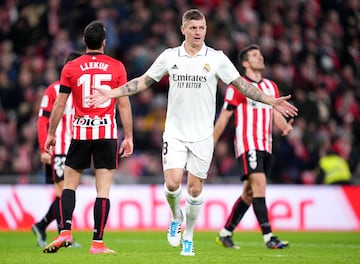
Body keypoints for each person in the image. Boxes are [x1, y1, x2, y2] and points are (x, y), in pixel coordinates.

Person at [87, 9, 297, 256]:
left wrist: (270, 101)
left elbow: (242, 85)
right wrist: (111, 93)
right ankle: (176, 217)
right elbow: (143, 81)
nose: (198, 32)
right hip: (175, 133)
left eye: (202, 28)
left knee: (195, 190)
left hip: (202, 136)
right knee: (173, 183)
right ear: (183, 29)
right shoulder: (170, 56)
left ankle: (188, 237)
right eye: (193, 28)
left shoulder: (216, 58)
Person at [43, 20, 134, 254]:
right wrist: (129, 137)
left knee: (69, 186)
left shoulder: (71, 67)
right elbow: (124, 105)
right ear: (104, 42)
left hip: (80, 133)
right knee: (102, 190)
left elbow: (60, 105)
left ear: (84, 42)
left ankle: (65, 232)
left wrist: (51, 134)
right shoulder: (117, 67)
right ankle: (98, 243)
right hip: (106, 134)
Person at [214, 44, 293, 250]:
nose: (261, 57)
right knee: (259, 184)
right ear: (246, 63)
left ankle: (226, 233)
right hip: (248, 143)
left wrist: (283, 126)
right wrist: (210, 145)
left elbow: (274, 111)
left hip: (266, 144)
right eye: (255, 55)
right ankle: (269, 237)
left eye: (260, 54)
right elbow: (224, 118)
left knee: (250, 193)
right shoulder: (238, 86)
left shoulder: (271, 86)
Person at [32, 51, 82, 248]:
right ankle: (64, 236)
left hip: (75, 147)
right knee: (63, 191)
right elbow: (42, 120)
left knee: (65, 192)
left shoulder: (80, 90)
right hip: (58, 149)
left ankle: (42, 225)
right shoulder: (53, 90)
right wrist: (44, 147)